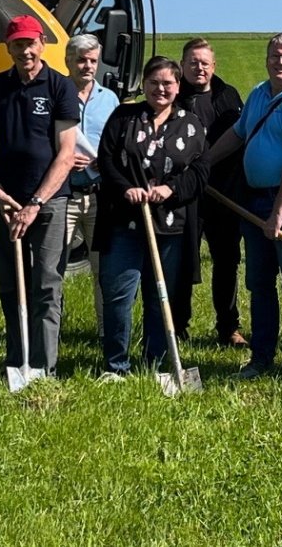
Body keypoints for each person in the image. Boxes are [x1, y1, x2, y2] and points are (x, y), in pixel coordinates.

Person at [206, 32, 282, 382]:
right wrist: (205, 162)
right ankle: (261, 359)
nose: (281, 61)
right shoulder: (260, 94)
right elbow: (238, 134)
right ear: (267, 59)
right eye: (275, 56)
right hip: (253, 199)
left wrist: (277, 213)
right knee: (259, 283)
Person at [0, 15, 81, 378]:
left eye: (30, 43)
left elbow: (66, 154)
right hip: (8, 202)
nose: (25, 50)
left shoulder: (60, 87)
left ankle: (44, 367)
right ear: (9, 47)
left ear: (42, 44)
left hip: (49, 201)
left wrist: (35, 203)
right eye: (18, 44)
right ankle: (17, 361)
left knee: (47, 282)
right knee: (10, 282)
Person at [91, 56, 210, 379]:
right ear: (144, 84)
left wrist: (171, 191)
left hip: (170, 226)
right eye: (154, 82)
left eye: (167, 83)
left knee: (161, 298)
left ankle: (156, 363)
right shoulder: (124, 117)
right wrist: (126, 189)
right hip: (125, 222)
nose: (161, 89)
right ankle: (116, 365)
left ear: (178, 86)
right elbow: (107, 159)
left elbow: (200, 171)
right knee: (118, 295)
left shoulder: (190, 123)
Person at [175, 37, 246, 347]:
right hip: (185, 195)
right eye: (193, 62)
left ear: (214, 66)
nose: (199, 67)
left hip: (224, 194)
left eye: (204, 62)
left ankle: (228, 328)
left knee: (227, 260)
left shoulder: (229, 96)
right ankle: (177, 327)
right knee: (182, 261)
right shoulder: (172, 96)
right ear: (182, 66)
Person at [63, 33, 119, 337]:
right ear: (68, 61)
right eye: (81, 60)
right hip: (63, 195)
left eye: (92, 61)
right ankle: (50, 333)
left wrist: (103, 162)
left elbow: (117, 144)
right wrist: (63, 159)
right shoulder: (57, 93)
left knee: (103, 271)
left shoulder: (109, 100)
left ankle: (104, 333)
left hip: (99, 197)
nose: (87, 66)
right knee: (52, 270)